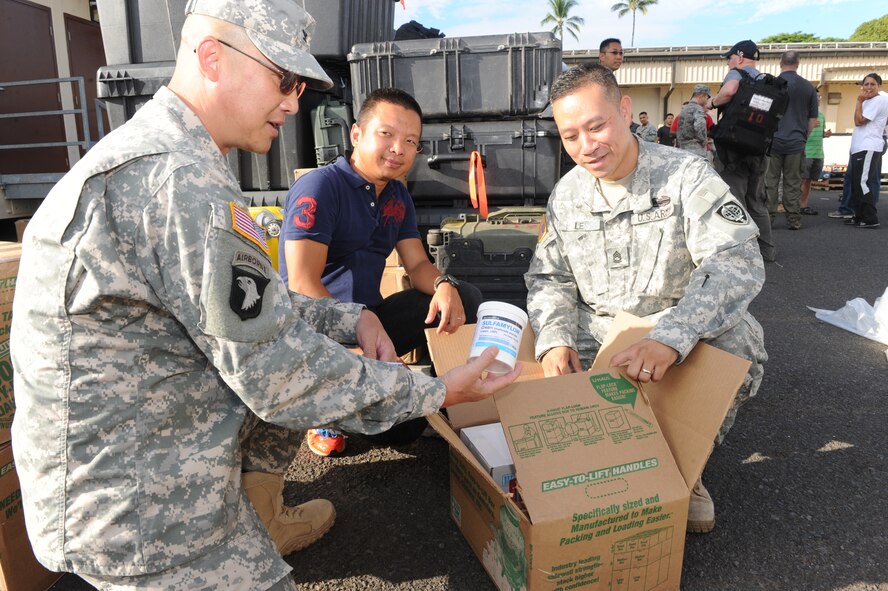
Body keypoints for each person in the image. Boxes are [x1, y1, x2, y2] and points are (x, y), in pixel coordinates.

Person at [8, 2, 520, 590]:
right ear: (211, 58)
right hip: (142, 509)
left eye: (299, 84)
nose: (294, 101)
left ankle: (264, 518)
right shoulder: (182, 180)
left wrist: (353, 320)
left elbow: (256, 303)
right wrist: (431, 390)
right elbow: (277, 370)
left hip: (150, 457)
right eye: (282, 79)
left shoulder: (188, 165)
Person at [525, 63, 767, 535]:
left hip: (672, 330)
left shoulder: (684, 176)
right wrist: (555, 342)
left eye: (596, 126)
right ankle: (607, 461)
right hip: (595, 335)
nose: (586, 146)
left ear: (624, 110)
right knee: (521, 341)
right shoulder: (566, 192)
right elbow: (548, 276)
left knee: (740, 339)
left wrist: (671, 337)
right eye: (570, 135)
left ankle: (684, 468)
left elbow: (736, 261)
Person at [280, 87, 483, 455]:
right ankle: (323, 409)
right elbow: (302, 283)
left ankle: (435, 395)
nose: (398, 149)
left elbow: (418, 264)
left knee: (465, 299)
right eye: (386, 134)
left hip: (371, 325)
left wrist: (443, 284)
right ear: (356, 134)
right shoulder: (321, 187)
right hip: (316, 335)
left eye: (410, 141)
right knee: (399, 434)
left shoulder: (396, 195)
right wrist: (354, 348)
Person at [706, 40, 776, 262]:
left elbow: (730, 91)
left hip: (734, 150)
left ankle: (742, 252)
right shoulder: (766, 81)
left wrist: (712, 102)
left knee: (734, 200)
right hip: (759, 148)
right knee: (756, 201)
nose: (729, 63)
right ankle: (767, 250)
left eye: (730, 58)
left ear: (739, 55)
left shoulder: (737, 74)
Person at [764, 51, 818, 231]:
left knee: (770, 181)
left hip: (773, 141)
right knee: (793, 182)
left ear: (780, 63)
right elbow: (812, 119)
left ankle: (769, 219)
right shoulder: (808, 87)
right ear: (798, 63)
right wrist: (804, 137)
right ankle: (793, 220)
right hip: (796, 142)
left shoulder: (771, 84)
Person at [844, 73, 887, 228]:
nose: (869, 87)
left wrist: (859, 100)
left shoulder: (879, 100)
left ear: (879, 86)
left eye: (873, 84)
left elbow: (859, 121)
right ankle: (859, 215)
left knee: (863, 183)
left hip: (869, 146)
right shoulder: (868, 102)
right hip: (860, 147)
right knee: (856, 183)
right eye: (866, 84)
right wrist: (861, 102)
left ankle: (870, 218)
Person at [800, 95, 832, 215]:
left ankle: (804, 206)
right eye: (816, 98)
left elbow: (821, 133)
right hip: (806, 152)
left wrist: (826, 134)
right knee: (801, 180)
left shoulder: (822, 116)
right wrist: (810, 125)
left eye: (819, 98)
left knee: (809, 181)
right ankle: (793, 206)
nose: (818, 100)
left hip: (818, 153)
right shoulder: (803, 115)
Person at [674, 84, 713, 162]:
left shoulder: (684, 110)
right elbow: (700, 128)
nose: (706, 101)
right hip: (696, 150)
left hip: (683, 149)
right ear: (701, 96)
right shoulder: (698, 109)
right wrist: (704, 141)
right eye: (706, 97)